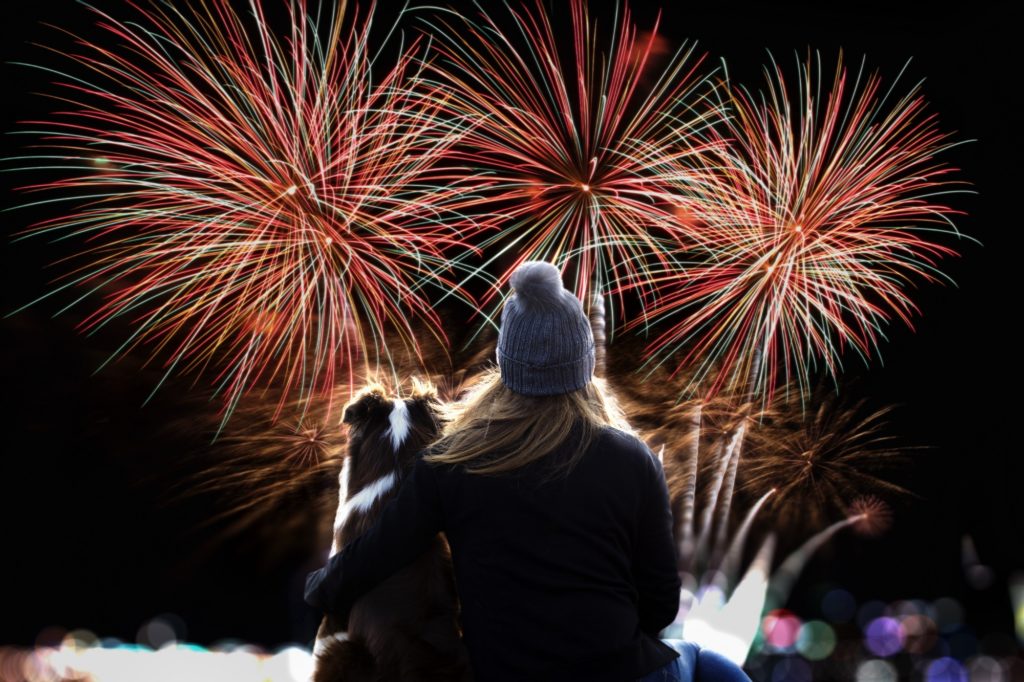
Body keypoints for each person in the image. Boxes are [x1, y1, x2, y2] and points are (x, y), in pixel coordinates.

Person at [304, 261, 750, 681]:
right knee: (713, 668)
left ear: (506, 363)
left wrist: (320, 589)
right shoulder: (633, 459)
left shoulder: (450, 463)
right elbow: (660, 608)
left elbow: (375, 556)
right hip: (621, 670)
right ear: (583, 362)